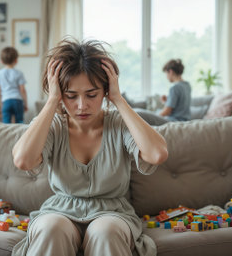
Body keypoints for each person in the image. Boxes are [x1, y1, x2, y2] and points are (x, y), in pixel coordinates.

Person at [11, 39, 168, 256]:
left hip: (113, 214)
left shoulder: (118, 123)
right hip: (59, 211)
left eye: (92, 94)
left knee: (106, 231)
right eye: (71, 95)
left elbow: (157, 153)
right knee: (51, 229)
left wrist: (118, 99)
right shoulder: (54, 125)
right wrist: (52, 100)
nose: (82, 105)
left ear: (104, 91)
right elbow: (22, 160)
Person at [0, 47, 28, 123]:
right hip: (18, 101)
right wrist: (25, 104)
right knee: (19, 123)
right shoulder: (19, 73)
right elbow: (22, 90)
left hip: (6, 101)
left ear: (2, 61)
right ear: (16, 60)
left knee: (6, 124)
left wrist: (1, 103)